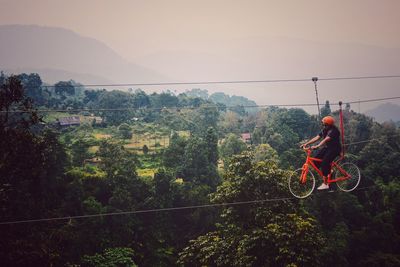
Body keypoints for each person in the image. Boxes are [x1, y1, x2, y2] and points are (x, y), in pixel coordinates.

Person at [300, 116, 342, 190]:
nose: (322, 124)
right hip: (328, 148)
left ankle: (325, 184)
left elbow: (326, 139)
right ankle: (329, 171)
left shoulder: (334, 131)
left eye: (323, 123)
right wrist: (306, 143)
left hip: (335, 149)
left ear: (327, 124)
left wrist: (318, 146)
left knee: (324, 163)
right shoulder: (325, 129)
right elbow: (317, 137)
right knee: (315, 161)